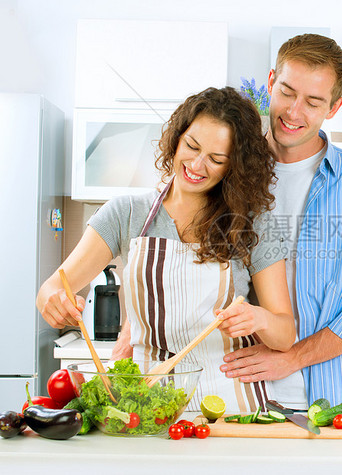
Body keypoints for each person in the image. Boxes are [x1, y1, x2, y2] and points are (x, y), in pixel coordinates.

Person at [36, 86, 295, 412]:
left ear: (234, 168)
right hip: (147, 401)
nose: (197, 164)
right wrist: (54, 300)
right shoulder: (126, 213)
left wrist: (258, 318)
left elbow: (285, 334)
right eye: (191, 145)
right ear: (176, 137)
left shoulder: (254, 225)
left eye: (216, 159)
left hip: (228, 402)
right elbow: (52, 288)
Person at [220, 34, 342, 408]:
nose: (293, 112)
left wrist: (293, 358)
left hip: (325, 403)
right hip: (230, 396)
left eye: (313, 101)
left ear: (334, 107)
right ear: (270, 81)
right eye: (286, 92)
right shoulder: (225, 170)